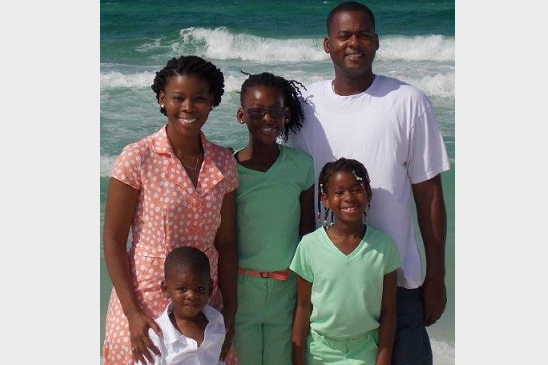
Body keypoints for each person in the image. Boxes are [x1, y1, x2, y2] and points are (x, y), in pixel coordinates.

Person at [284, 2, 451, 365]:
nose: (354, 43)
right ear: (327, 44)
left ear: (377, 42)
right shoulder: (304, 106)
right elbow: (290, 186)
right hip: (329, 288)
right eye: (344, 35)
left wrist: (435, 276)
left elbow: (430, 194)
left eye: (364, 34)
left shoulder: (408, 101)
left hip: (399, 283)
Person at [102, 55, 239, 365]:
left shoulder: (223, 161)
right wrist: (132, 312)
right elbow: (113, 240)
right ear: (163, 99)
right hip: (145, 300)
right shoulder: (137, 157)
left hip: (204, 302)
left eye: (199, 98)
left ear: (213, 101)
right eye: (178, 98)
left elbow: (227, 241)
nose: (188, 107)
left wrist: (230, 307)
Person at [232, 71, 316, 365]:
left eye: (275, 111)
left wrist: (306, 294)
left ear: (286, 115)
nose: (267, 118)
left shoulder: (302, 165)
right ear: (242, 115)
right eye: (256, 111)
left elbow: (308, 235)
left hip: (287, 287)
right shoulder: (229, 171)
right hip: (242, 290)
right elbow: (225, 238)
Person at [290, 158, 401, 365]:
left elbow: (389, 311)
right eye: (339, 192)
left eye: (356, 189)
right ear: (325, 199)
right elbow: (303, 308)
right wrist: (297, 360)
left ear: (368, 194)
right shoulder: (309, 246)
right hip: (319, 353)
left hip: (365, 351)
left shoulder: (383, 247)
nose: (349, 197)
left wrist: (383, 359)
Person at [140, 246, 226, 365]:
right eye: (182, 289)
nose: (191, 295)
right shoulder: (157, 336)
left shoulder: (216, 323)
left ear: (210, 288)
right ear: (165, 289)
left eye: (199, 288)